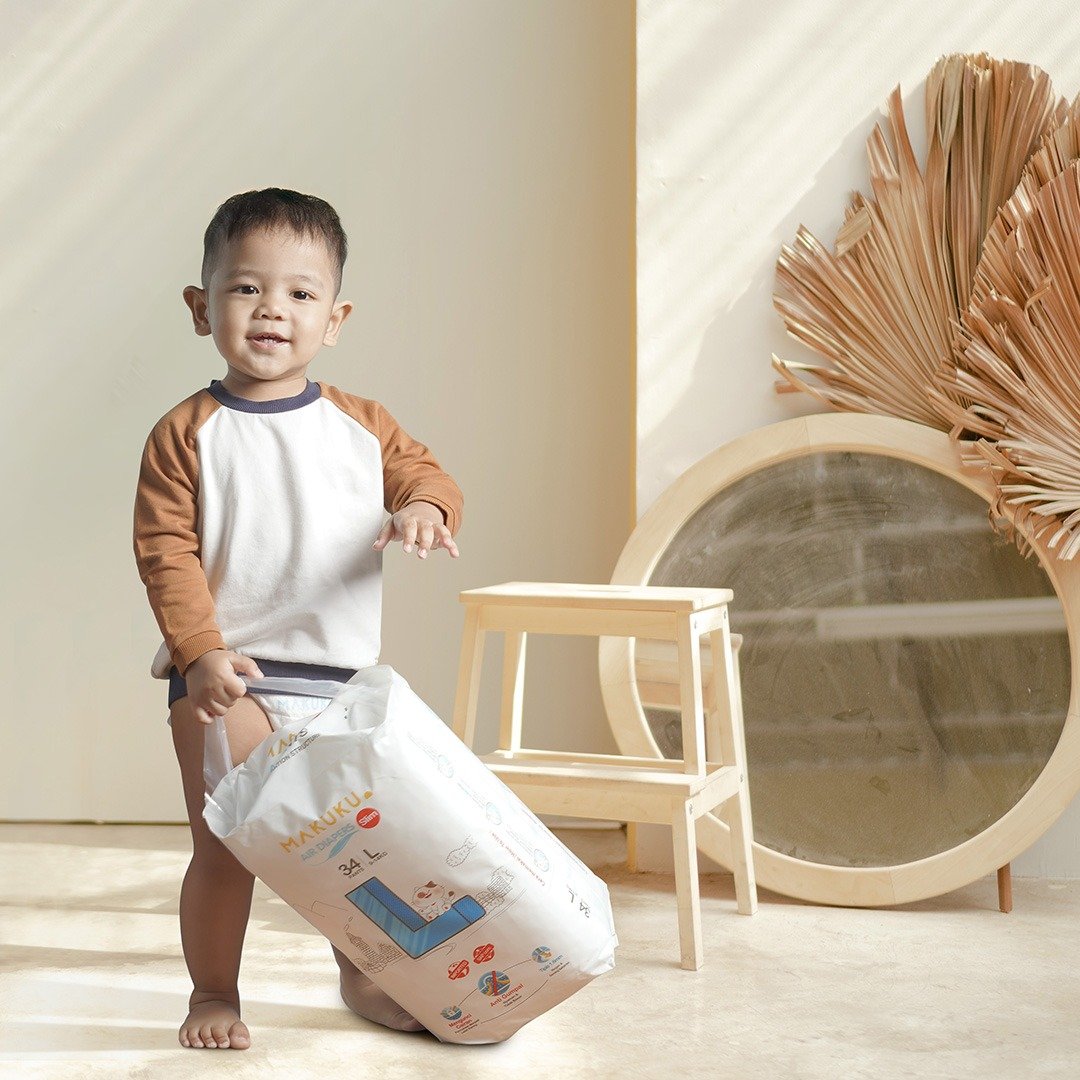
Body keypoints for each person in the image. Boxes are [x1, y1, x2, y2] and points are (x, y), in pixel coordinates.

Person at [132, 188, 463, 1050]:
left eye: (300, 293)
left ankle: (364, 974)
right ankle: (212, 993)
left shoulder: (362, 425)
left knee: (351, 853)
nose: (272, 308)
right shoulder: (186, 433)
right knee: (230, 846)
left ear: (335, 318)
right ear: (201, 308)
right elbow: (165, 553)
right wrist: (200, 653)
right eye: (246, 288)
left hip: (339, 686)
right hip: (227, 676)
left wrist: (424, 508)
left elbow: (426, 475)